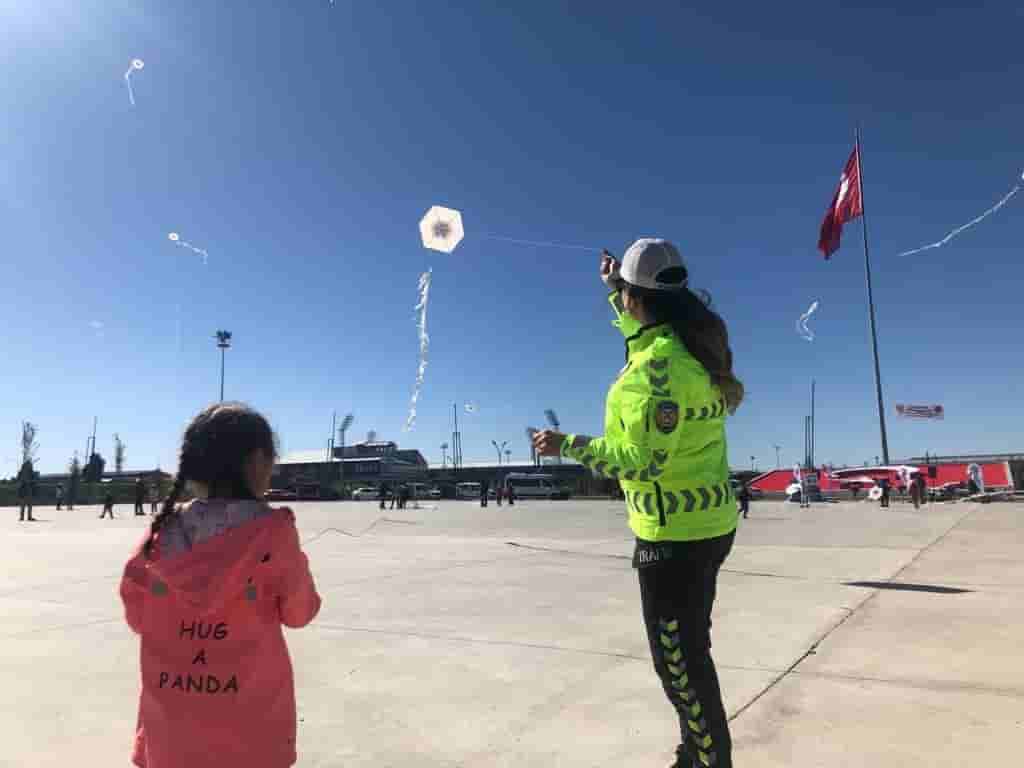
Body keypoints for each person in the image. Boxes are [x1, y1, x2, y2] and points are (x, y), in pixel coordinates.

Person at [533, 240, 744, 768]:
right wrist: (616, 291)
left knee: (680, 665)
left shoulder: (659, 371)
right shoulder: (680, 346)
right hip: (706, 524)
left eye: (625, 294)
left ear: (637, 297)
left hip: (675, 538)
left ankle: (708, 760)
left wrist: (568, 446)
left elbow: (640, 461)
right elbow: (640, 336)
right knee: (689, 652)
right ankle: (694, 752)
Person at [119, 402, 320, 768]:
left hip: (171, 729)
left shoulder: (164, 530)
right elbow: (299, 612)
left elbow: (137, 615)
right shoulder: (272, 534)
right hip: (251, 729)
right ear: (258, 460)